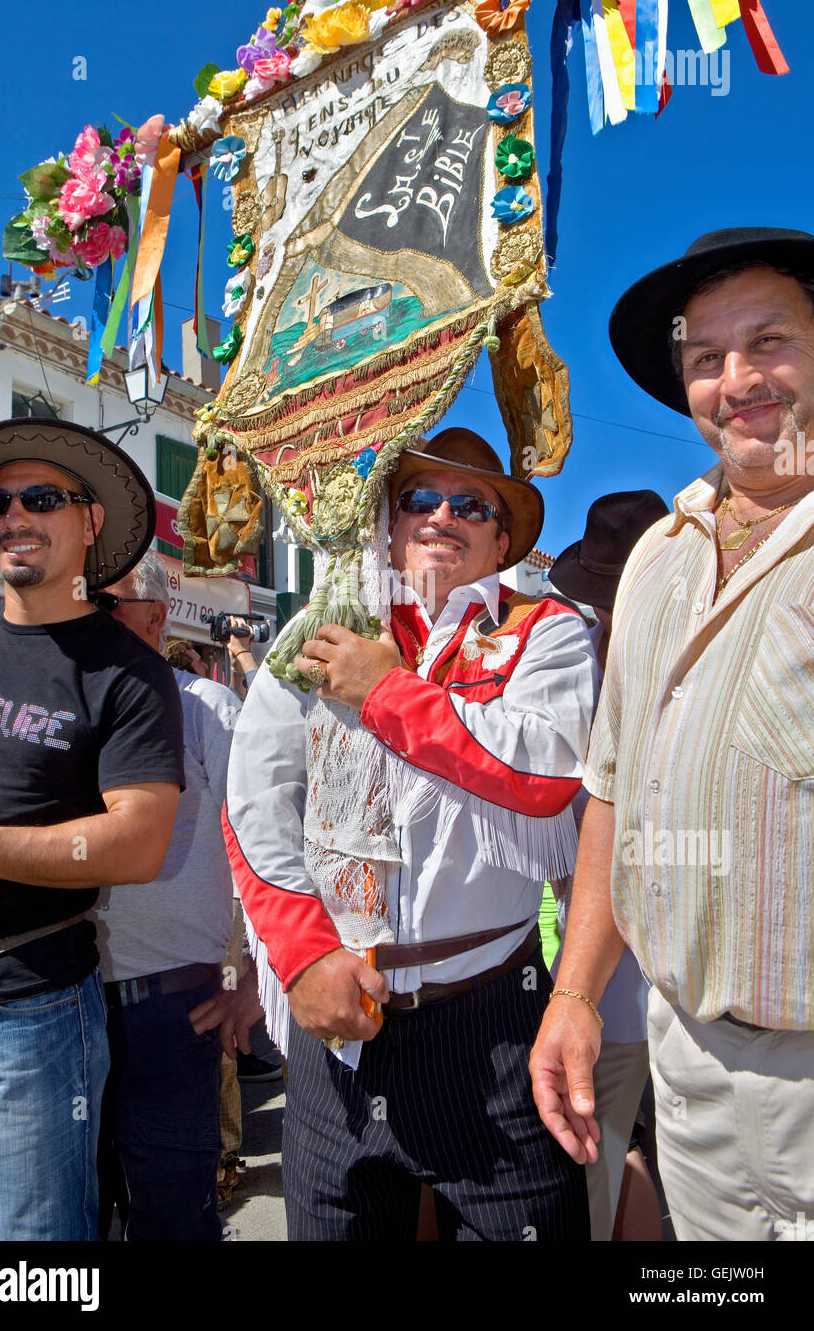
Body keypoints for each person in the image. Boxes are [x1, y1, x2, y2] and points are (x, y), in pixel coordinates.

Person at [226, 427, 599, 1241]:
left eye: (472, 505)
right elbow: (254, 804)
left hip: (495, 1023)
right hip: (337, 1023)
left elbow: (544, 777)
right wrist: (302, 958)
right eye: (419, 499)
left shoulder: (549, 632)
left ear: (502, 539)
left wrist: (385, 692)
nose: (441, 516)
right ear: (388, 523)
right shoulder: (321, 629)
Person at [529, 226, 814, 1242]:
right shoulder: (656, 554)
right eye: (704, 358)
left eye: (768, 343)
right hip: (681, 1057)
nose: (736, 379)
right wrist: (573, 997)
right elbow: (612, 789)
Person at [0, 418, 184, 1241]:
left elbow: (138, 843)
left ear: (89, 524)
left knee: (36, 1260)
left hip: (28, 1014)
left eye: (41, 499)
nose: (14, 515)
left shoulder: (131, 676)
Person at [93, 552, 262, 1240]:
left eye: (105, 605)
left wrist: (251, 978)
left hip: (171, 1013)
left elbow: (264, 849)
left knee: (170, 1221)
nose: (85, 617)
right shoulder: (66, 709)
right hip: (57, 1007)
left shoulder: (206, 710)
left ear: (155, 617)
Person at [547, 490, 669, 1241]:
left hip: (624, 993)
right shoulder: (580, 681)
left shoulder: (597, 680)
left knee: (609, 1168)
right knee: (614, 1163)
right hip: (608, 994)